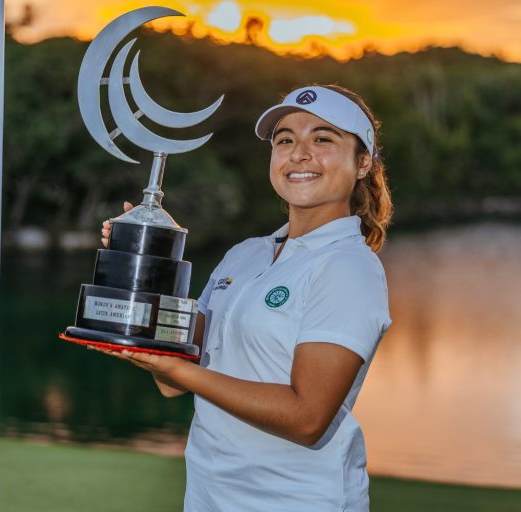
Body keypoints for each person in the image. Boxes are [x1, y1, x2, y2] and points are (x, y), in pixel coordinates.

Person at [98, 84, 393, 511]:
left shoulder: (350, 267)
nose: (299, 153)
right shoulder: (245, 253)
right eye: (285, 140)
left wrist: (178, 370)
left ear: (362, 162)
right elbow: (171, 380)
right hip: (209, 497)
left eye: (322, 139)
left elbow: (307, 418)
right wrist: (152, 258)